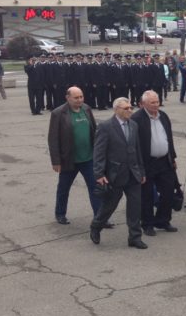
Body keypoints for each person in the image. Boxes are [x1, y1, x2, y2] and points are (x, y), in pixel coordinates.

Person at [89, 98, 147, 249]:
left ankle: (135, 237)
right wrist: (99, 174)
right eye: (126, 108)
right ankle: (96, 226)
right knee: (110, 205)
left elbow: (137, 150)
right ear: (116, 110)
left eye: (130, 108)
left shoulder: (134, 125)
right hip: (114, 174)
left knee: (135, 206)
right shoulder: (106, 127)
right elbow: (99, 152)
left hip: (133, 173)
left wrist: (141, 171)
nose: (130, 111)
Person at [48, 87, 102, 226]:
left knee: (96, 188)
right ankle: (60, 214)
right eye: (76, 97)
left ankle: (100, 217)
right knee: (63, 188)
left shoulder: (87, 109)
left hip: (88, 159)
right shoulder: (58, 113)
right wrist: (56, 161)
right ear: (68, 98)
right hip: (69, 159)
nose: (79, 100)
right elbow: (53, 139)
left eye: (81, 97)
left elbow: (94, 132)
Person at [132, 91, 178, 237]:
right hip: (147, 162)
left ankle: (163, 220)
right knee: (146, 195)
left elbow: (169, 138)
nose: (156, 105)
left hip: (164, 161)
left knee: (168, 191)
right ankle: (147, 223)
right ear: (143, 103)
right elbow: (134, 145)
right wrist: (137, 166)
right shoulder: (137, 119)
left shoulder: (163, 116)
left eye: (157, 102)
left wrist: (173, 157)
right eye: (152, 102)